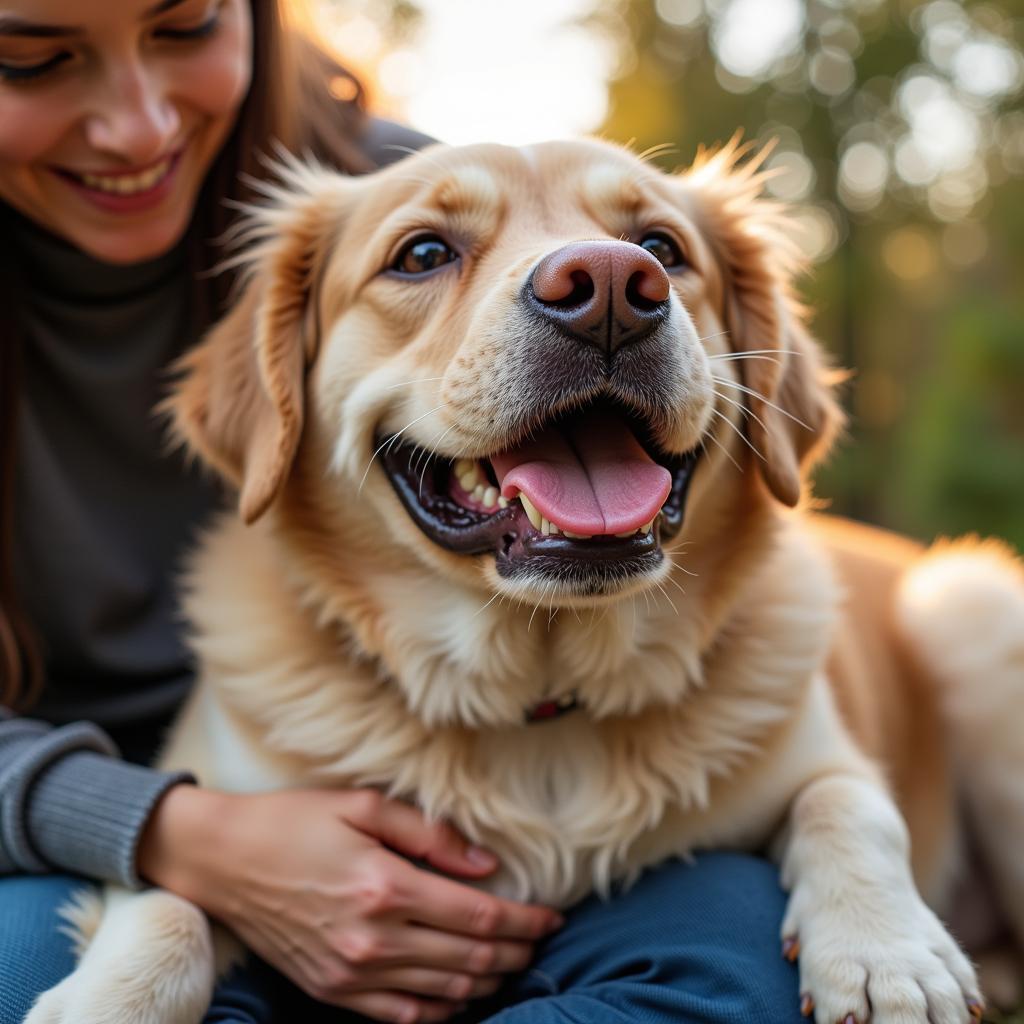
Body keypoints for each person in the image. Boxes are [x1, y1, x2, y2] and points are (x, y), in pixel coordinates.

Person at [0, 1, 804, 1021]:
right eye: (29, 59)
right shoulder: (348, 231)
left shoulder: (417, 175)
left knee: (738, 947)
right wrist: (178, 834)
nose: (141, 124)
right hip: (92, 830)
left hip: (556, 764)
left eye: (186, 24)